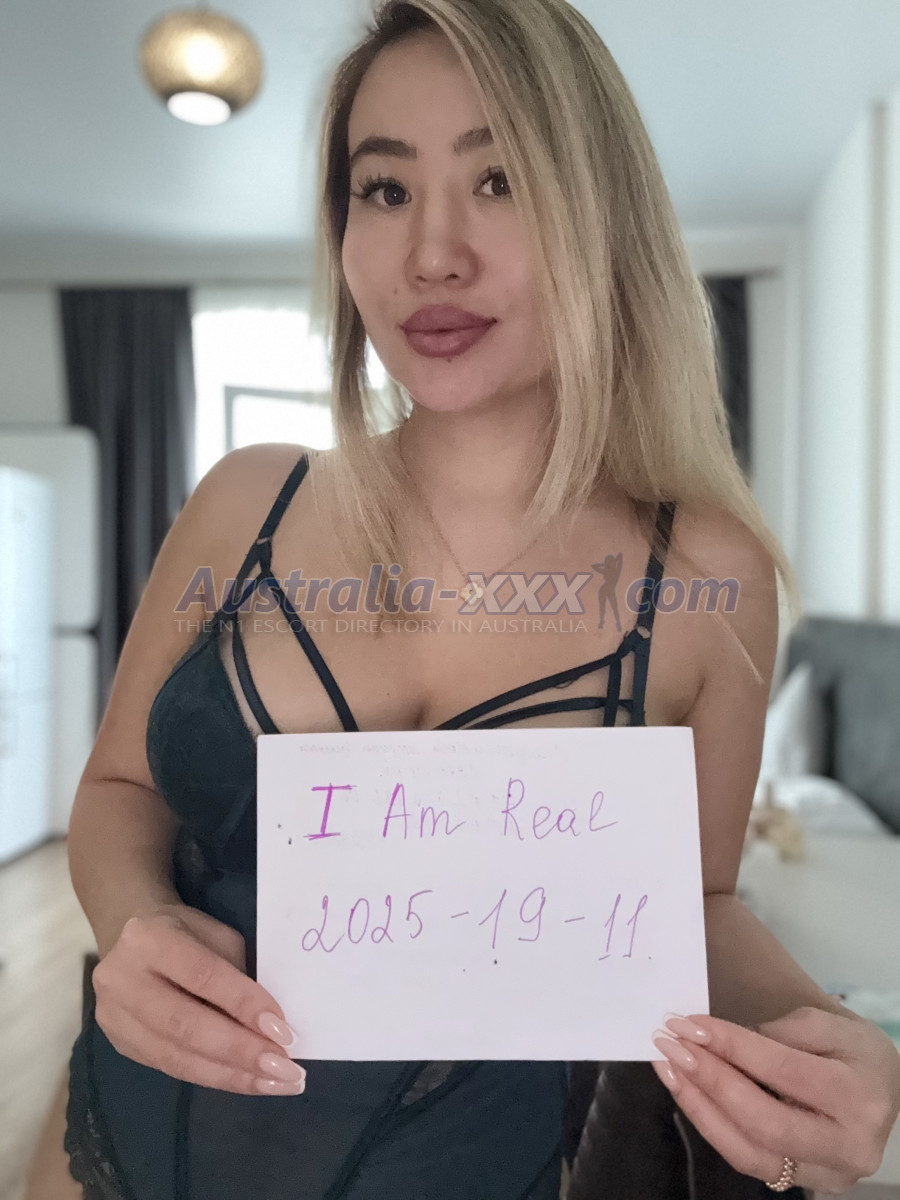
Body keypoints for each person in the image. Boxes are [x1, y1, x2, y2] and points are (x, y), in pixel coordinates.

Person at [63, 1, 900, 1197]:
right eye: (385, 189)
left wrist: (834, 1044)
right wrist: (132, 920)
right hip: (126, 1143)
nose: (432, 254)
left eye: (499, 179)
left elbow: (700, 904)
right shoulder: (246, 504)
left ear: (597, 212)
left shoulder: (704, 578)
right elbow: (119, 789)